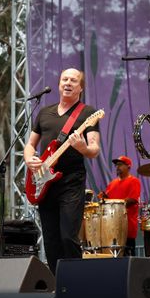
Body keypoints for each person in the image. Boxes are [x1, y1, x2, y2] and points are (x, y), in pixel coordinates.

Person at [24, 68, 101, 273]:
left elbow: (94, 149)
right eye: (64, 79)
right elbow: (31, 144)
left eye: (73, 80)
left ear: (81, 87)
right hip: (45, 183)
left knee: (68, 235)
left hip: (71, 181)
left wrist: (82, 147)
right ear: (59, 84)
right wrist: (29, 159)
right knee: (50, 239)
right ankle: (58, 285)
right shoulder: (44, 113)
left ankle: (76, 282)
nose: (68, 83)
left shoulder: (88, 113)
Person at [99, 155, 141, 256]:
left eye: (121, 165)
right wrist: (104, 198)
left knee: (128, 257)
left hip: (127, 227)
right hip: (111, 228)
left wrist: (115, 203)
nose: (118, 167)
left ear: (128, 167)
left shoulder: (134, 181)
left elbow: (132, 200)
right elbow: (108, 201)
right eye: (117, 165)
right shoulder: (112, 183)